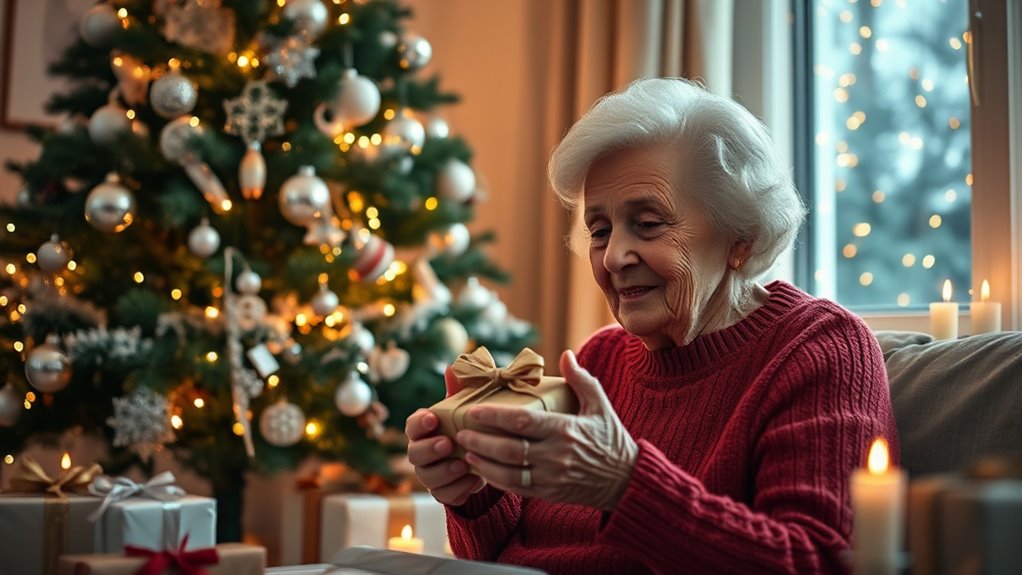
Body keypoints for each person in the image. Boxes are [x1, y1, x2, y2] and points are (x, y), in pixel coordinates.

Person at [405, 77, 898, 574]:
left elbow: (814, 562)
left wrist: (625, 482)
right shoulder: (598, 360)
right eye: (600, 230)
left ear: (741, 238)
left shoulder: (820, 351)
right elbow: (508, 556)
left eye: (649, 224)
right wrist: (475, 494)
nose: (615, 256)